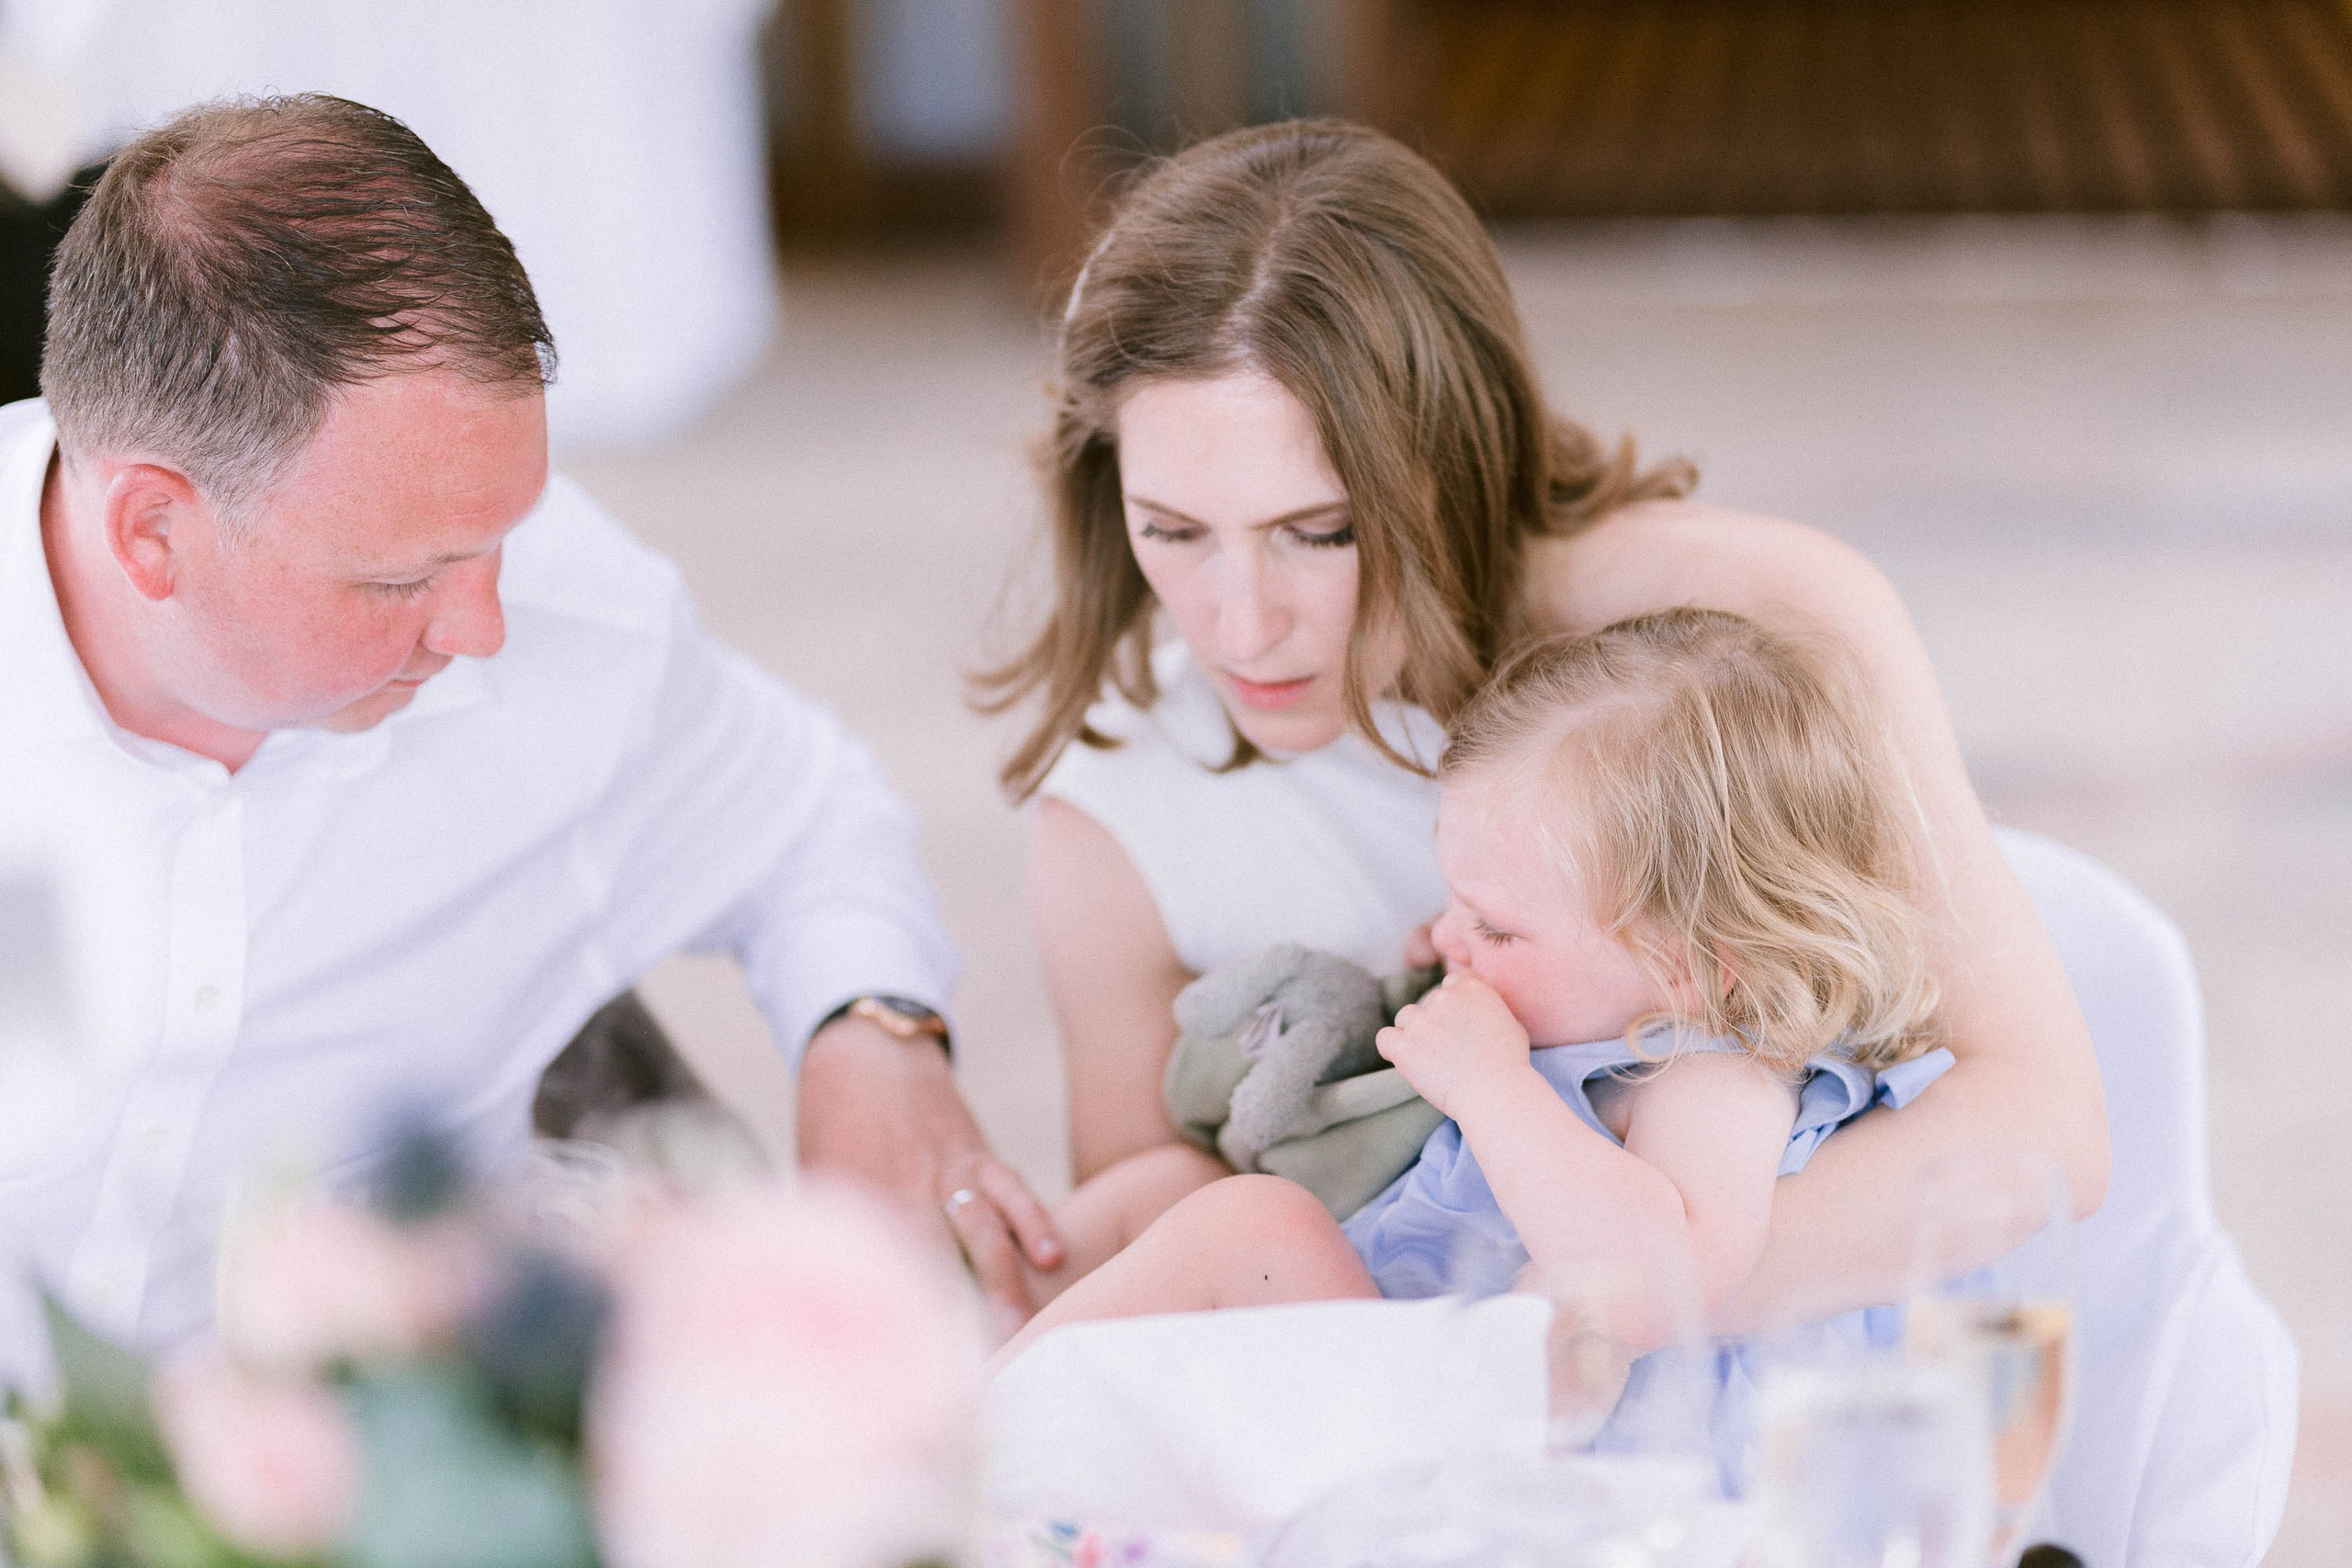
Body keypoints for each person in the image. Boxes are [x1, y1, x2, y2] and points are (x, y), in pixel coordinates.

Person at [975, 118, 2108, 1331]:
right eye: (1172, 530)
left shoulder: (1749, 629)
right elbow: (1170, 1283)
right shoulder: (1118, 810)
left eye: (1323, 532)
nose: (1240, 627)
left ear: (1449, 454)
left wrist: (1549, 1331)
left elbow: (2043, 1131)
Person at [0, 93, 1057, 1376]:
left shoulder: (578, 627)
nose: (485, 626)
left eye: (501, 537)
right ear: (152, 532)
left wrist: (871, 1031)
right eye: (402, 580)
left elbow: (811, 816)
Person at [1000, 609, 1954, 1374]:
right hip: (1408, 1355)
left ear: (1698, 964)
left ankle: (975, 1460)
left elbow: (1664, 1282)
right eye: (1451, 898)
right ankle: (967, 1321)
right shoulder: (1598, 1007)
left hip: (1507, 1443)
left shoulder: (1711, 1076)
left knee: (1251, 1225)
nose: (1448, 936)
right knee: (1166, 1189)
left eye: (1494, 926)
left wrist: (1492, 1088)